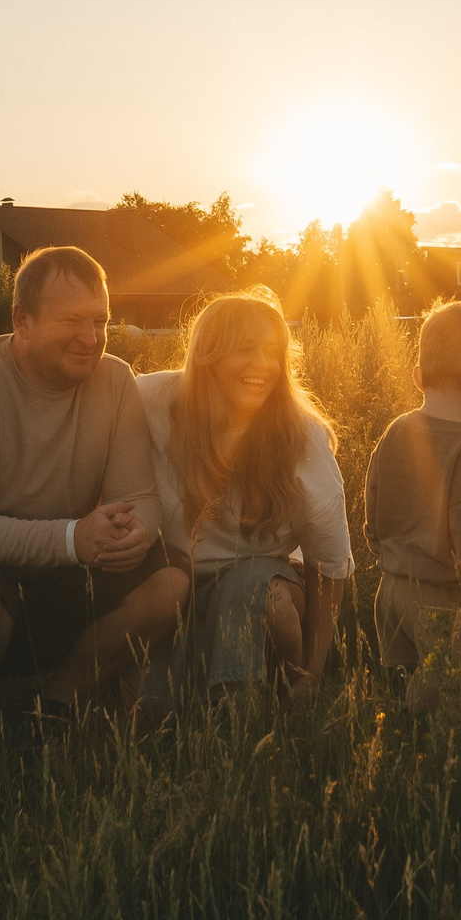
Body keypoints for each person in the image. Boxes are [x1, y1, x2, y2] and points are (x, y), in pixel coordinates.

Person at [0, 246, 189, 716]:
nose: (91, 337)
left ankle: (57, 700)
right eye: (72, 321)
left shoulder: (115, 380)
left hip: (52, 572)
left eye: (100, 321)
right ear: (23, 321)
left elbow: (140, 495)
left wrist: (137, 531)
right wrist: (73, 539)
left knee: (171, 576)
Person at [137, 288, 351, 710]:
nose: (264, 366)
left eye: (274, 352)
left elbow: (329, 568)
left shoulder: (302, 439)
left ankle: (248, 705)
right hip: (178, 582)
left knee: (250, 589)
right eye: (245, 349)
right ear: (206, 354)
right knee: (148, 706)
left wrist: (313, 672)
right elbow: (94, 386)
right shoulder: (153, 402)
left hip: (267, 583)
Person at [364, 299, 461, 714]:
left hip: (390, 591)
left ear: (417, 376)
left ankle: (397, 749)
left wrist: (394, 558)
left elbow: (371, 513)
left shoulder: (395, 432)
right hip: (443, 602)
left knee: (415, 692)